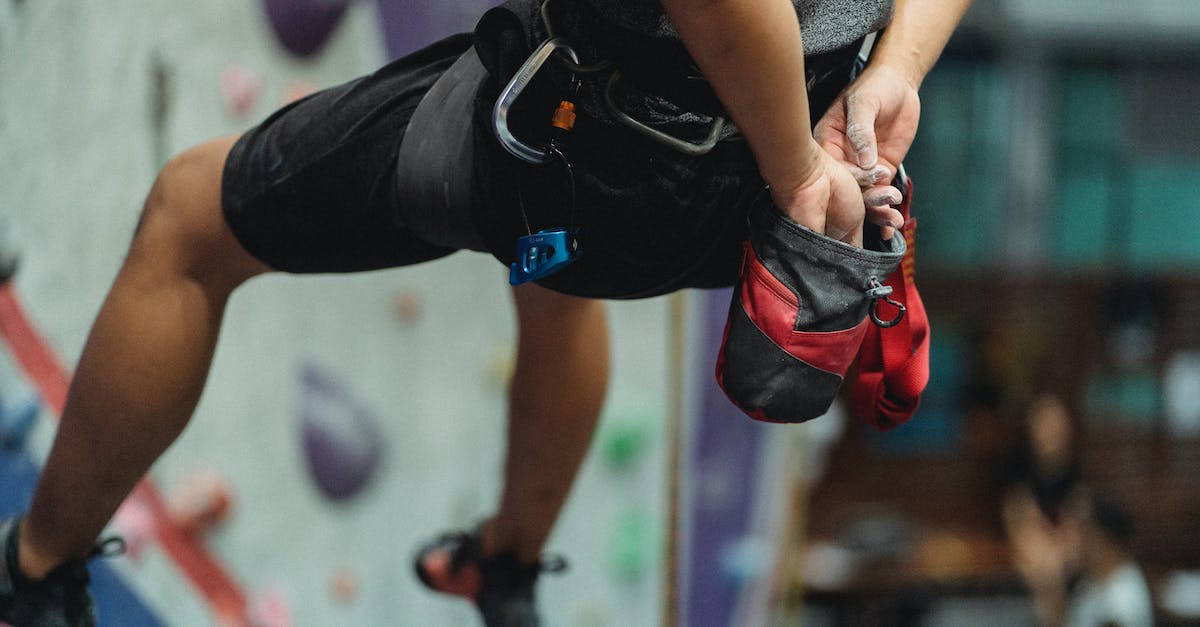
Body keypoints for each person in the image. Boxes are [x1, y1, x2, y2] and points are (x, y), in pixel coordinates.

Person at [0, 0, 972, 625]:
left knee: (187, 220)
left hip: (617, 143)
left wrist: (794, 169)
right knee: (558, 273)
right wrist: (895, 73)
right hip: (764, 184)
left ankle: (35, 577)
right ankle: (505, 567)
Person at [1009, 491, 1154, 627]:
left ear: (1101, 540)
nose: (1066, 541)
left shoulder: (1120, 602)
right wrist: (1050, 591)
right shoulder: (1093, 581)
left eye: (1077, 532)